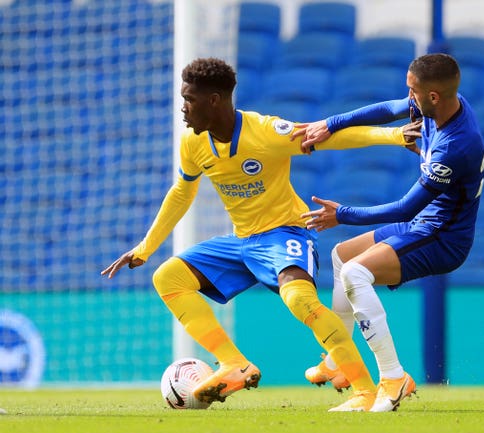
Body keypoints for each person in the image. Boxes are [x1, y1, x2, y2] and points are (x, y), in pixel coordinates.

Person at [101, 57, 421, 412]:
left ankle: (364, 390)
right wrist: (145, 248)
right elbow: (181, 192)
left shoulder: (267, 131)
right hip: (243, 242)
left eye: (189, 99)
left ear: (215, 100)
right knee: (169, 277)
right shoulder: (192, 144)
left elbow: (327, 138)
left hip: (286, 233)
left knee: (300, 301)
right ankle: (233, 364)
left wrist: (393, 135)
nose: (183, 107)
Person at [294, 53, 484, 412]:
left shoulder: (456, 146)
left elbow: (405, 208)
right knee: (342, 257)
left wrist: (343, 214)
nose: (407, 97)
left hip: (444, 237)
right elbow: (387, 109)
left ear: (433, 96)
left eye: (412, 91)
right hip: (425, 223)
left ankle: (394, 378)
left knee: (355, 274)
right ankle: (340, 360)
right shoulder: (439, 106)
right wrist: (332, 123)